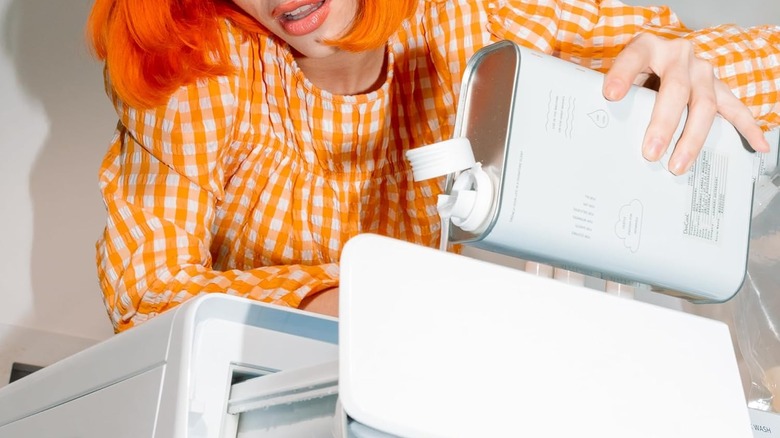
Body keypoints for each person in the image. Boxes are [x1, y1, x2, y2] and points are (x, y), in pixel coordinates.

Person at [86, 0, 779, 333]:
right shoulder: (196, 66)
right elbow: (147, 289)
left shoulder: (458, 19)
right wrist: (350, 293)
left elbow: (739, 60)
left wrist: (688, 67)